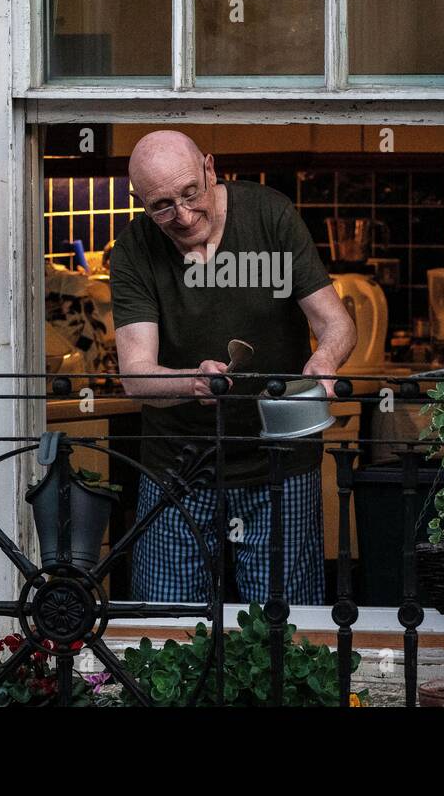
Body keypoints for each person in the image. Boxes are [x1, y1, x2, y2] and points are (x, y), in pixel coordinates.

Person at [109, 130, 356, 605]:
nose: (182, 216)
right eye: (162, 205)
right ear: (138, 201)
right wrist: (192, 381)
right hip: (177, 469)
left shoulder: (269, 215)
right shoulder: (134, 250)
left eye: (190, 194)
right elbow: (136, 375)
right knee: (166, 630)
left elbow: (336, 323)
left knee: (286, 632)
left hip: (279, 462)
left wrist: (324, 361)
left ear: (210, 168)